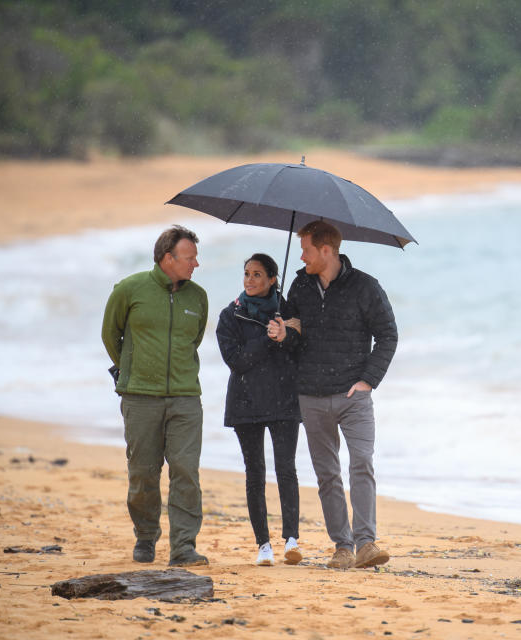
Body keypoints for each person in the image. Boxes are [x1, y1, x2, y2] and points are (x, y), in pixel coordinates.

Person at [269, 220, 398, 570]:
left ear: (326, 250)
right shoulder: (298, 285)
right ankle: (343, 547)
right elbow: (295, 334)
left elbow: (388, 335)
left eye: (306, 249)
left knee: (362, 464)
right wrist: (284, 333)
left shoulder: (366, 287)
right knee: (327, 474)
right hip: (310, 395)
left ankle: (366, 543)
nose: (301, 256)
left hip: (352, 395)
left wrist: (369, 380)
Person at [101, 225, 209, 567]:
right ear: (168, 258)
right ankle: (146, 537)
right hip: (140, 397)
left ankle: (183, 547)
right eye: (189, 258)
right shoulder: (130, 289)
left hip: (186, 398)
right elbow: (110, 334)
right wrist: (132, 371)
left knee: (185, 471)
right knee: (144, 472)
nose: (196, 264)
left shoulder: (198, 297)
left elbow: (194, 341)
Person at [216, 253, 304, 567]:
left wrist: (287, 334)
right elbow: (236, 360)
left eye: (257, 275)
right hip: (246, 402)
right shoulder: (231, 315)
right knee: (255, 473)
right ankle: (263, 545)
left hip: (283, 399)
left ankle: (292, 539)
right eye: (247, 274)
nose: (250, 281)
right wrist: (268, 339)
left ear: (272, 279)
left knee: (286, 469)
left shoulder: (290, 310)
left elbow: (301, 349)